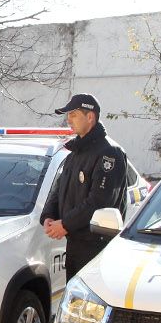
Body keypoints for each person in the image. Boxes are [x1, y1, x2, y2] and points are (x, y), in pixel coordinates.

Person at [39, 92, 128, 277]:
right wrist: (48, 215)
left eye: (73, 115)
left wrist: (65, 224)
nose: (68, 120)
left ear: (90, 117)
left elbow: (99, 201)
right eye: (68, 115)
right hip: (75, 243)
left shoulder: (109, 153)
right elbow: (59, 188)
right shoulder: (75, 153)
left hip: (96, 246)